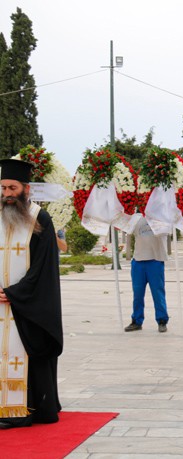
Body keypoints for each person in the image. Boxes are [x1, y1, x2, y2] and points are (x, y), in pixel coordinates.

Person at [0, 159, 63, 428]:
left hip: (25, 304)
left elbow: (44, 268)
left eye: (12, 188)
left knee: (24, 354)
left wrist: (15, 293)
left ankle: (27, 409)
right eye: (3, 188)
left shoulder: (40, 219)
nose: (7, 194)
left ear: (26, 189)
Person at [124, 217, 170, 333]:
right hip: (138, 261)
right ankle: (137, 320)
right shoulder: (135, 218)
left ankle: (162, 321)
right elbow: (124, 226)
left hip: (155, 260)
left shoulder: (162, 217)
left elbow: (167, 231)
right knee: (137, 294)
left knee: (158, 293)